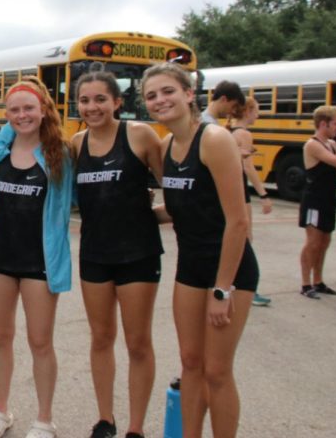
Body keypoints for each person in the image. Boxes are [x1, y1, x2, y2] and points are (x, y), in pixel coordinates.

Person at [142, 62, 257, 438]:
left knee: (217, 371)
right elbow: (178, 210)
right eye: (152, 96)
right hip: (190, 266)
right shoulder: (166, 146)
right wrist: (134, 211)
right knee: (191, 363)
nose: (160, 100)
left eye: (168, 91)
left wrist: (222, 289)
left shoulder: (214, 139)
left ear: (189, 94)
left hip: (229, 269)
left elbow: (237, 220)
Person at [0, 76, 74, 438]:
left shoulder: (61, 153)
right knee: (0, 337)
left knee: (40, 342)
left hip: (39, 263)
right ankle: (1, 412)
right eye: (14, 110)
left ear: (43, 109)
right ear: (6, 114)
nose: (22, 115)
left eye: (29, 108)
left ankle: (44, 419)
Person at [71, 72, 163, 438]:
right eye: (85, 100)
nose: (92, 107)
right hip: (94, 253)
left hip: (138, 253)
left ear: (117, 102)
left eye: (100, 99)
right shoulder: (76, 143)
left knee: (138, 342)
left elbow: (172, 187)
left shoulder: (140, 135)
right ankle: (105, 419)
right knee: (100, 337)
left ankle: (136, 428)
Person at [298, 105, 336, 299]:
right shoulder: (312, 144)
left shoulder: (331, 144)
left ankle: (318, 281)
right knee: (313, 242)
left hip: (328, 199)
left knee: (325, 242)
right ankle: (305, 284)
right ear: (323, 124)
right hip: (314, 200)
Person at [228, 97, 274, 306]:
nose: (258, 115)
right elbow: (248, 167)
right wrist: (263, 194)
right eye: (256, 110)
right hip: (240, 189)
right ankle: (244, 286)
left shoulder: (228, 131)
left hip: (230, 188)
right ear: (247, 111)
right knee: (245, 237)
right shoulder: (244, 134)